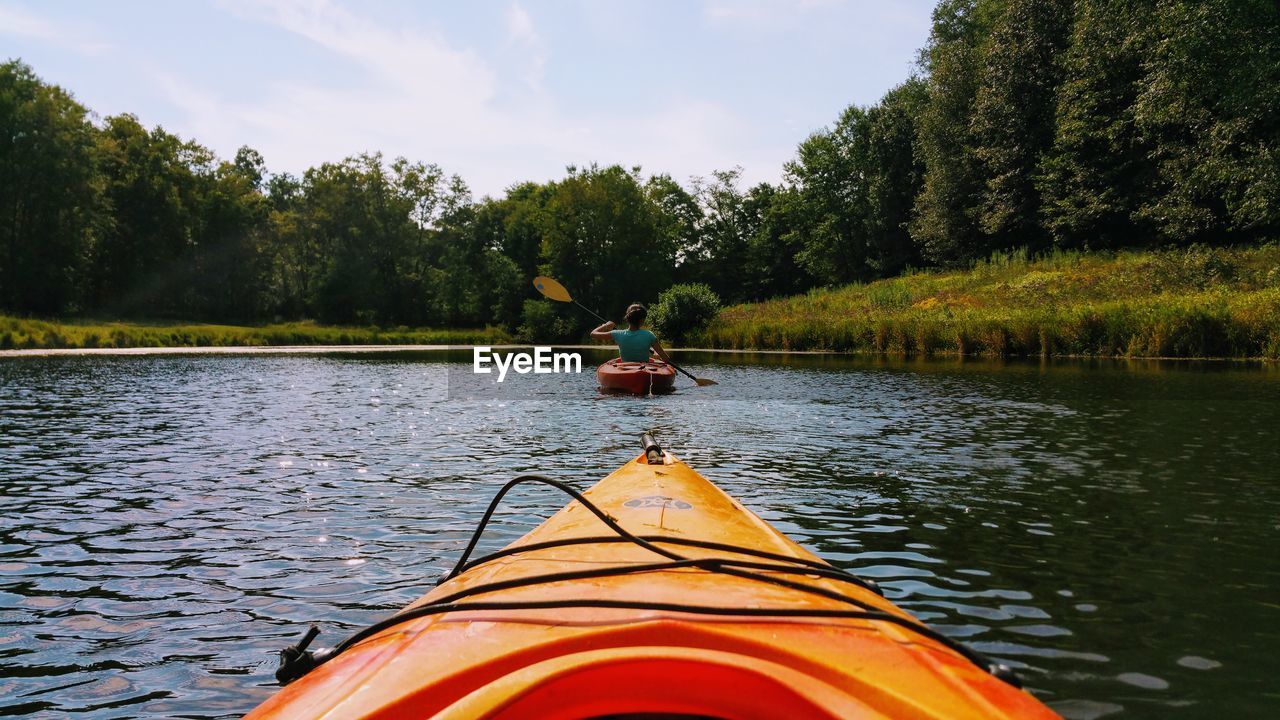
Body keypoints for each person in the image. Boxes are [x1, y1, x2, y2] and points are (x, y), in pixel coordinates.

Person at [591, 303, 675, 365]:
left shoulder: (617, 334)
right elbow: (665, 359)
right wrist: (657, 356)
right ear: (642, 320)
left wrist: (605, 326)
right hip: (644, 368)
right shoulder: (649, 335)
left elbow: (593, 334)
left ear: (627, 318)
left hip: (625, 367)